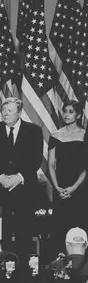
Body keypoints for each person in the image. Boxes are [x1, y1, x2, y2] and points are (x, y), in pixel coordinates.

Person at [0, 97, 43, 252]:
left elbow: (35, 159)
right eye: (3, 110)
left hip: (25, 190)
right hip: (0, 190)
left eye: (9, 111)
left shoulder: (34, 130)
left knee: (24, 233)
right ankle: (2, 268)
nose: (5, 114)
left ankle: (23, 269)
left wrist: (20, 177)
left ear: (19, 112)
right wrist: (0, 177)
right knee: (3, 232)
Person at [48, 101, 86, 240]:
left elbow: (86, 166)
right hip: (61, 186)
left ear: (78, 115)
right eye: (65, 111)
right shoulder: (55, 135)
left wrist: (74, 187)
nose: (66, 114)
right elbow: (51, 164)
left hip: (81, 186)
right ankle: (61, 259)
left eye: (70, 112)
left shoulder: (84, 135)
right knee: (60, 226)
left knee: (80, 225)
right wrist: (58, 187)